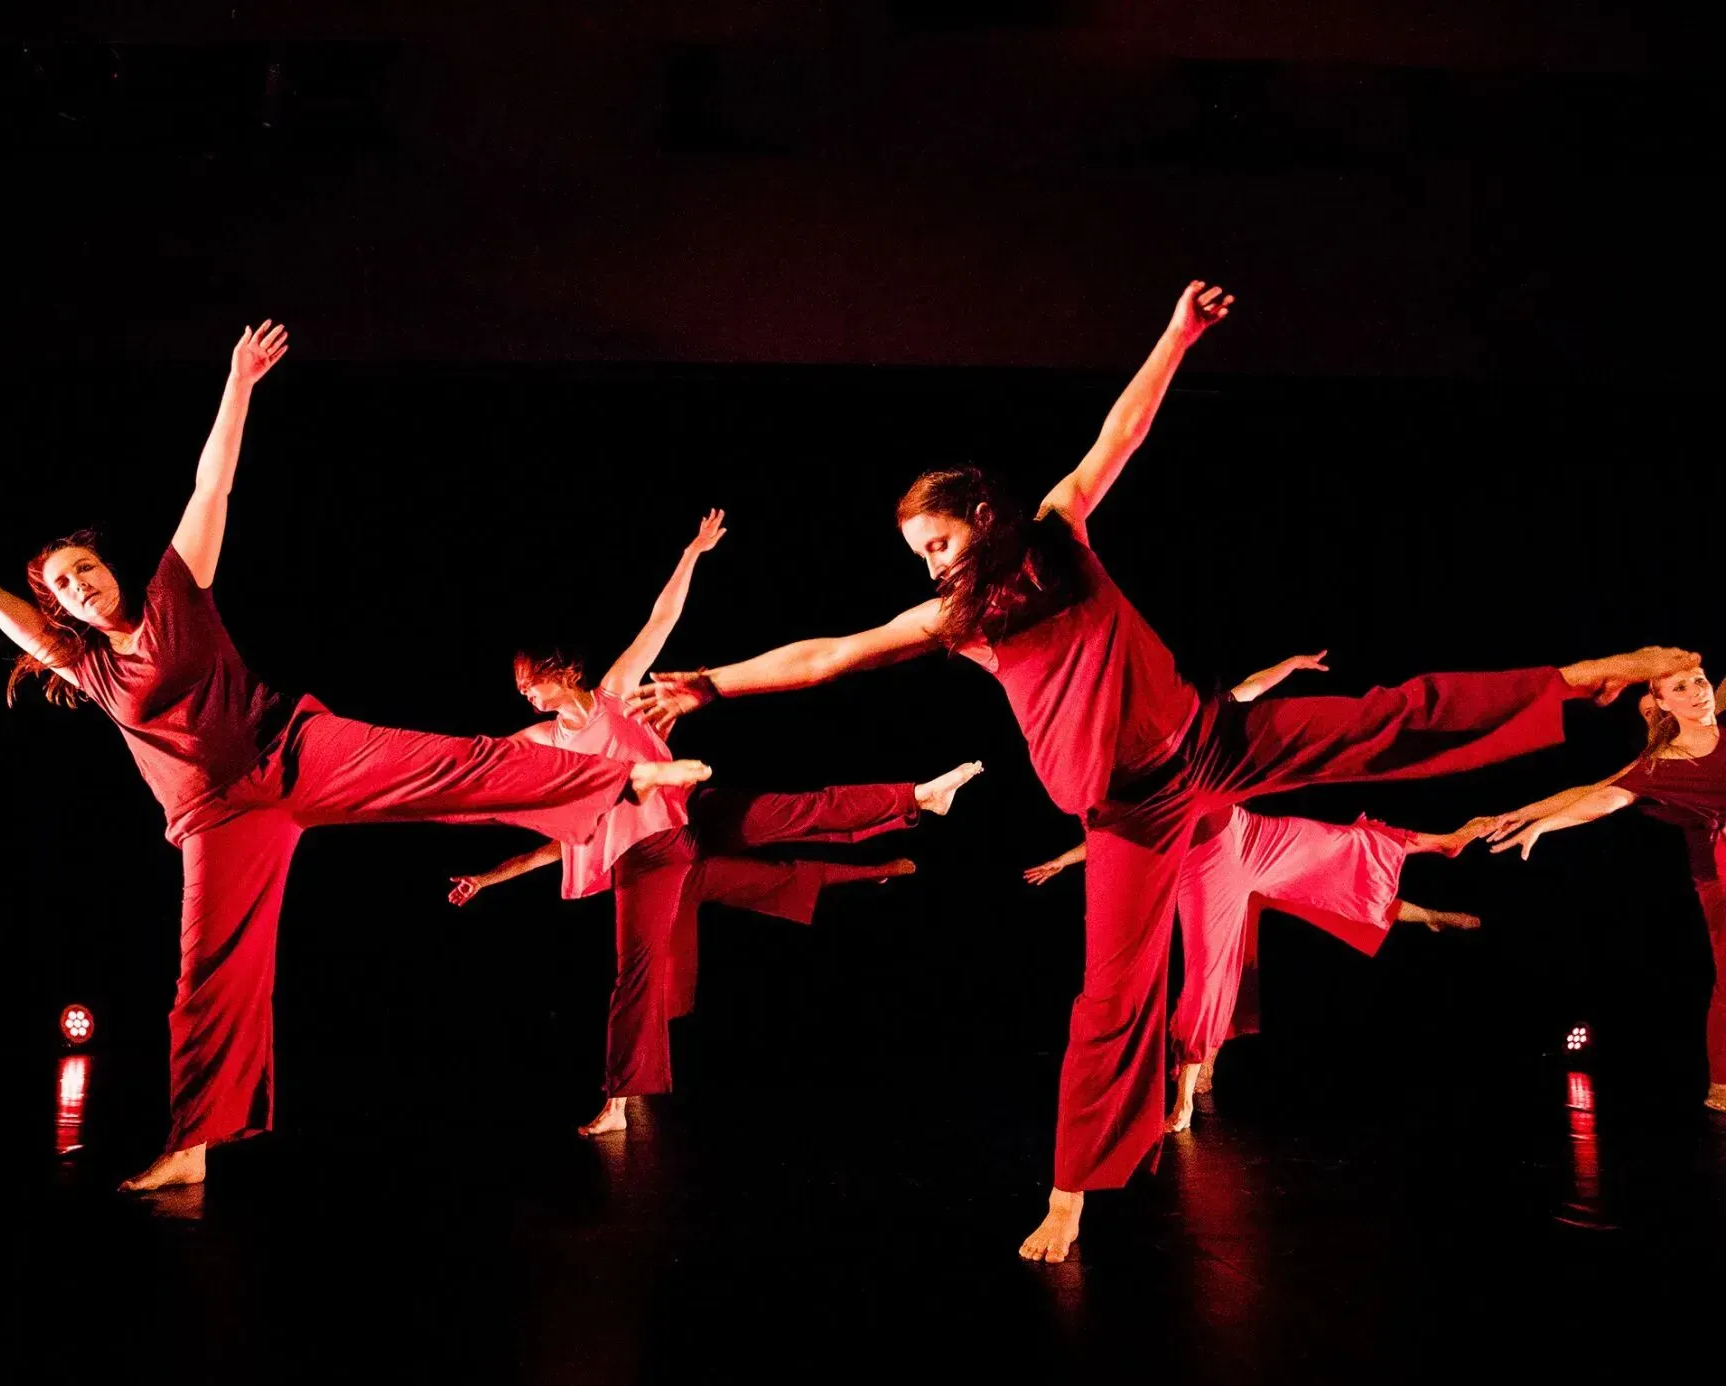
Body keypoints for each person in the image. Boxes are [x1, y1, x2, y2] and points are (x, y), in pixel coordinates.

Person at [626, 279, 1700, 1260]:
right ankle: (1072, 1193)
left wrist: (1178, 333)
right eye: (919, 554)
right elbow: (826, 655)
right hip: (1127, 814)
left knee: (1393, 718)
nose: (931, 563)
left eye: (939, 542)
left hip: (1210, 744)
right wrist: (711, 681)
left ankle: (1587, 678)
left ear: (983, 515)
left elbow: (1121, 431)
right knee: (1112, 992)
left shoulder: (1056, 530)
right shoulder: (953, 622)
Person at [0, 322, 709, 1190]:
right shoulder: (86, 663)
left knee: (451, 761)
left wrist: (240, 383)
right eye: (65, 584)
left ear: (107, 565)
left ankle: (623, 773)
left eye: (86, 567)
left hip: (294, 750)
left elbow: (210, 485)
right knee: (208, 975)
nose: (82, 584)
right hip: (218, 816)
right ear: (61, 610)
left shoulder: (174, 592)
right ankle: (192, 1147)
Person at [447, 510, 982, 1134]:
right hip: (642, 859)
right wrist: (477, 868)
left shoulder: (618, 692)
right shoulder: (543, 739)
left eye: (528, 682)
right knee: (634, 974)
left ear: (560, 671)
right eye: (519, 689)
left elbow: (661, 619)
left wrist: (693, 552)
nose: (524, 695)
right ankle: (620, 1101)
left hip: (691, 815)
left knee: (799, 809)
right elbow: (481, 765)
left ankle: (918, 795)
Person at [1025, 651, 1490, 1133]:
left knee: (1341, 848)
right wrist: (1062, 860)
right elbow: (1114, 836)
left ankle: (1444, 845)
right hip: (1205, 870)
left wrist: (1291, 664)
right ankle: (1184, 1100)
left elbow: (1251, 687)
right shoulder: (1126, 771)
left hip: (1248, 834)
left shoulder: (1198, 720)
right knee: (1209, 977)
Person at [1488, 664, 1722, 1112]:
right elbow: (1601, 796)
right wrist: (1539, 821)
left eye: (1700, 681)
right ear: (1663, 706)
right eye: (1680, 687)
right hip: (1718, 877)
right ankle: (1722, 1087)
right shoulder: (1660, 766)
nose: (1696, 691)